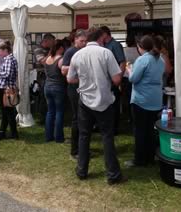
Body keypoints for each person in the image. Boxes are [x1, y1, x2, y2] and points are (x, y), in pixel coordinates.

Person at [67, 28, 126, 185]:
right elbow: (116, 80)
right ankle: (113, 174)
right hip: (104, 100)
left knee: (84, 135)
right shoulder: (106, 53)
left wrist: (86, 80)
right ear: (101, 38)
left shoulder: (77, 54)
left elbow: (70, 79)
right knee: (107, 136)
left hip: (84, 100)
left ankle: (82, 171)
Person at [126, 35, 165, 167]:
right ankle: (150, 156)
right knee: (151, 130)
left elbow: (133, 79)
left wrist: (129, 70)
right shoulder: (160, 59)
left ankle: (139, 159)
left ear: (140, 47)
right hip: (155, 99)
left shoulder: (142, 60)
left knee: (140, 131)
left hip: (141, 100)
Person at [61, 30, 87, 159]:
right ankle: (75, 150)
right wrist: (75, 67)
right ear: (75, 40)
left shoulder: (84, 51)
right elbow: (63, 70)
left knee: (83, 119)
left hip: (82, 88)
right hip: (73, 88)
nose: (84, 43)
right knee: (77, 118)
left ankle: (81, 148)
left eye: (85, 41)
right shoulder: (71, 51)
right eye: (81, 41)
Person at [100, 26, 125, 135]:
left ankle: (114, 129)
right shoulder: (104, 45)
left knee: (114, 105)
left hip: (113, 79)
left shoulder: (115, 45)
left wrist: (118, 79)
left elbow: (122, 62)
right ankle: (106, 126)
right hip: (106, 80)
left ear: (105, 34)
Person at [0, 41, 19, 140]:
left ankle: (13, 133)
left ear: (5, 50)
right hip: (8, 88)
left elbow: (7, 74)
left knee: (8, 112)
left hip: (5, 88)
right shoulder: (10, 59)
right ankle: (3, 132)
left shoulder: (8, 59)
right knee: (7, 112)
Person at [44, 40, 66, 143]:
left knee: (50, 112)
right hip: (58, 87)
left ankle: (48, 136)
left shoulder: (48, 58)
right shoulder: (61, 59)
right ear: (60, 48)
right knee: (59, 112)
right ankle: (59, 137)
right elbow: (64, 73)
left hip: (47, 86)